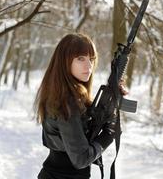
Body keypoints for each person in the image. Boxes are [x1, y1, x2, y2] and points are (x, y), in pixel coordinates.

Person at [34, 33, 127, 179]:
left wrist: (111, 100)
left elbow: (83, 134)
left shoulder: (61, 95)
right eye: (80, 59)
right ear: (64, 61)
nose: (89, 65)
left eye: (91, 59)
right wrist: (109, 134)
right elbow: (81, 158)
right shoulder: (66, 102)